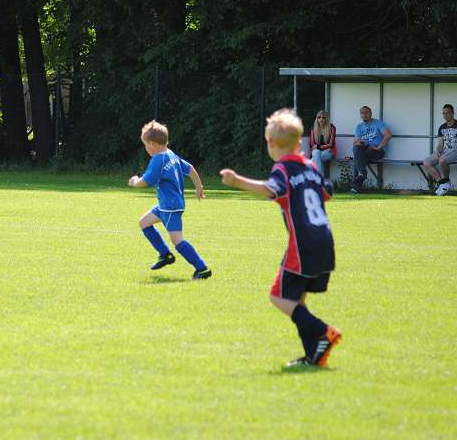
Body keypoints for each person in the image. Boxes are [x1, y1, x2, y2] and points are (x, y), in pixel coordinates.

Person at [219, 108, 341, 369]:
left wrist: (237, 180)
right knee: (297, 300)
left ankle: (323, 331)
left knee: (278, 296)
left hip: (303, 244)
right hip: (325, 241)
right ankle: (313, 356)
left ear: (271, 143)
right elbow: (327, 193)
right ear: (299, 143)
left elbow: (270, 189)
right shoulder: (311, 166)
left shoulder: (283, 169)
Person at [127, 120, 211, 280]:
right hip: (167, 204)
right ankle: (165, 254)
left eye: (145, 145)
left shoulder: (158, 159)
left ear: (152, 144)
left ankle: (202, 268)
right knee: (144, 222)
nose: (146, 148)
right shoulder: (171, 155)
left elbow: (146, 181)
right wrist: (198, 186)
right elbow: (190, 168)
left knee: (177, 240)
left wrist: (135, 182)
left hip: (170, 206)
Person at [350, 106, 392, 193]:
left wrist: (378, 147)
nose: (364, 115)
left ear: (371, 114)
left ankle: (357, 185)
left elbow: (388, 135)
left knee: (358, 158)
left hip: (376, 151)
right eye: (362, 113)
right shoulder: (359, 126)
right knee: (357, 150)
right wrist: (359, 143)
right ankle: (361, 175)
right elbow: (355, 142)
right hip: (363, 150)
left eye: (366, 113)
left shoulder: (378, 123)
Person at [422, 103, 457, 196]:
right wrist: (437, 151)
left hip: (455, 150)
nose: (446, 115)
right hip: (445, 150)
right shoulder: (442, 127)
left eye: (448, 113)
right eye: (444, 113)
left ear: (452, 113)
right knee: (426, 162)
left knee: (442, 159)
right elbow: (440, 144)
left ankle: (446, 182)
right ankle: (441, 183)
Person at [308, 110, 337, 175]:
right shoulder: (313, 128)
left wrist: (317, 146)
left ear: (327, 119)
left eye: (323, 117)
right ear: (317, 118)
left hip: (329, 151)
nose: (321, 119)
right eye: (319, 117)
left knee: (315, 158)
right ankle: (320, 177)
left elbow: (331, 144)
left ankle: (318, 177)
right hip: (317, 152)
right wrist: (317, 147)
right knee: (316, 153)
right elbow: (311, 144)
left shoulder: (332, 128)